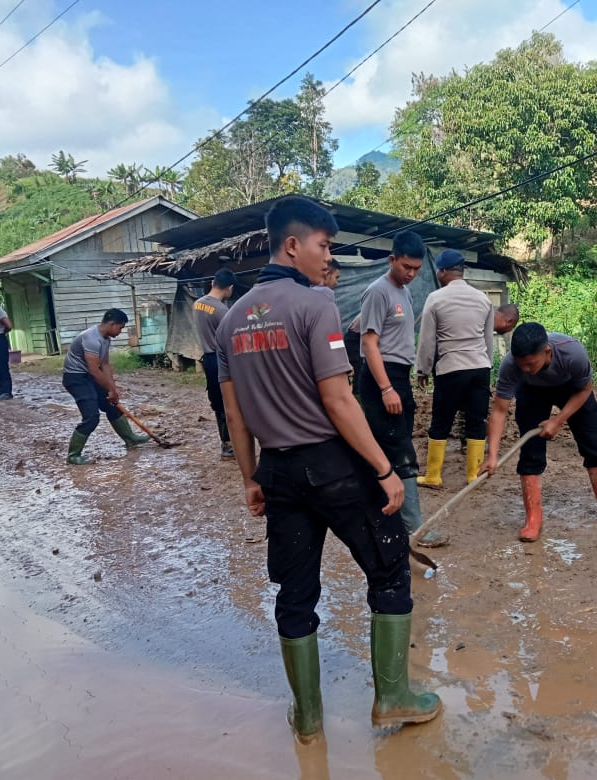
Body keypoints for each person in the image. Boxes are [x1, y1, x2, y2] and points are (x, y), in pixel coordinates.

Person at [216, 196, 440, 745]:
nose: (327, 257)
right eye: (324, 245)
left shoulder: (230, 322)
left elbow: (234, 414)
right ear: (293, 245)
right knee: (389, 571)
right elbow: (339, 400)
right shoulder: (315, 305)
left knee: (296, 593)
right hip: (332, 466)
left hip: (279, 473)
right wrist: (386, 469)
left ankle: (308, 718)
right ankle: (392, 698)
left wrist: (250, 477)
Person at [482, 322, 597, 542]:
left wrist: (558, 420)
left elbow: (585, 388)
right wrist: (492, 455)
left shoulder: (572, 352)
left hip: (572, 389)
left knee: (593, 444)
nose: (524, 368)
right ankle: (534, 518)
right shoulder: (511, 365)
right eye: (520, 364)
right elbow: (499, 410)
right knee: (530, 452)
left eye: (530, 364)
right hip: (532, 393)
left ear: (547, 352)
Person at [358, 231, 427, 540]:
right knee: (400, 450)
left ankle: (385, 516)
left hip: (399, 376)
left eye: (416, 269)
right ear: (392, 260)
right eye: (405, 267)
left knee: (393, 447)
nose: (411, 274)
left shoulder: (404, 291)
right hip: (381, 379)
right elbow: (369, 343)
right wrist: (386, 388)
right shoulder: (378, 291)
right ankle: (415, 528)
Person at [415, 248, 494, 491]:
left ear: (443, 271)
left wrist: (423, 369)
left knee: (441, 420)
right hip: (480, 367)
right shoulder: (483, 299)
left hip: (451, 367)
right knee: (476, 420)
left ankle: (434, 475)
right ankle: (473, 475)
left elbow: (427, 340)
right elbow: (487, 340)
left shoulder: (436, 299)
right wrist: (486, 366)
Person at [61, 309, 149, 464]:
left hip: (88, 375)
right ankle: (73, 455)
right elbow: (94, 370)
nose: (120, 331)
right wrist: (110, 389)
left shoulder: (106, 338)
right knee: (91, 416)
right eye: (120, 328)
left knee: (112, 405)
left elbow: (105, 364)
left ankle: (130, 439)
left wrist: (113, 389)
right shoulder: (91, 338)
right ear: (112, 323)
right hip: (76, 378)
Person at [194, 269, 237, 460]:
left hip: (208, 358)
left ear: (213, 282)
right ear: (230, 288)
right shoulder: (222, 310)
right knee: (230, 400)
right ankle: (230, 445)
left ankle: (226, 443)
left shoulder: (197, 304)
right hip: (222, 359)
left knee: (218, 402)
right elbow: (229, 339)